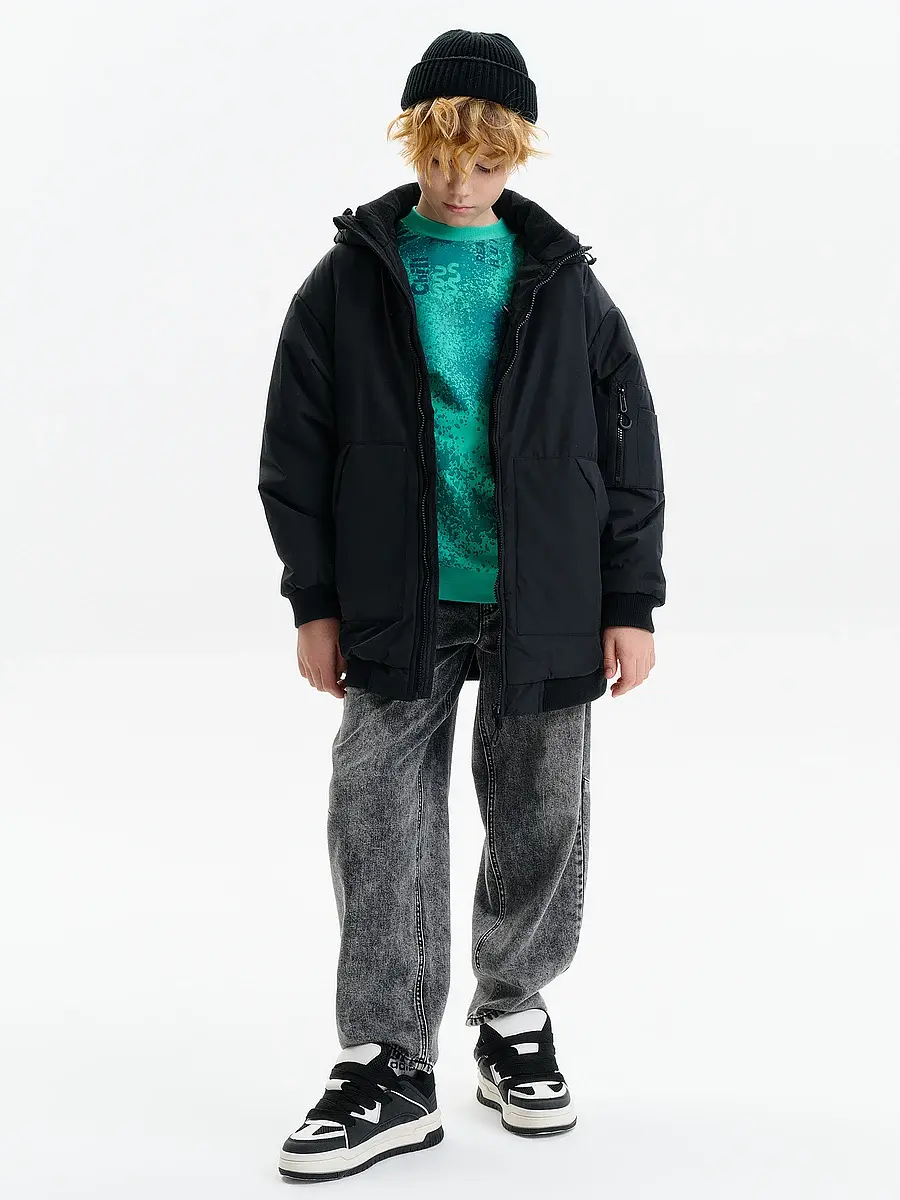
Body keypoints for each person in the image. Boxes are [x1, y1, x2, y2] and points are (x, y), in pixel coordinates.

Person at [258, 29, 666, 1182]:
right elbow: (295, 448)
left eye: (485, 163)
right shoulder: (351, 279)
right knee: (377, 814)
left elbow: (627, 445)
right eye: (442, 158)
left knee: (543, 811)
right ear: (414, 141)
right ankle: (388, 1063)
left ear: (516, 155)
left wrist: (630, 598)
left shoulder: (566, 284)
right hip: (400, 598)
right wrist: (316, 601)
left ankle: (513, 1015)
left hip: (548, 596)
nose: (459, 182)